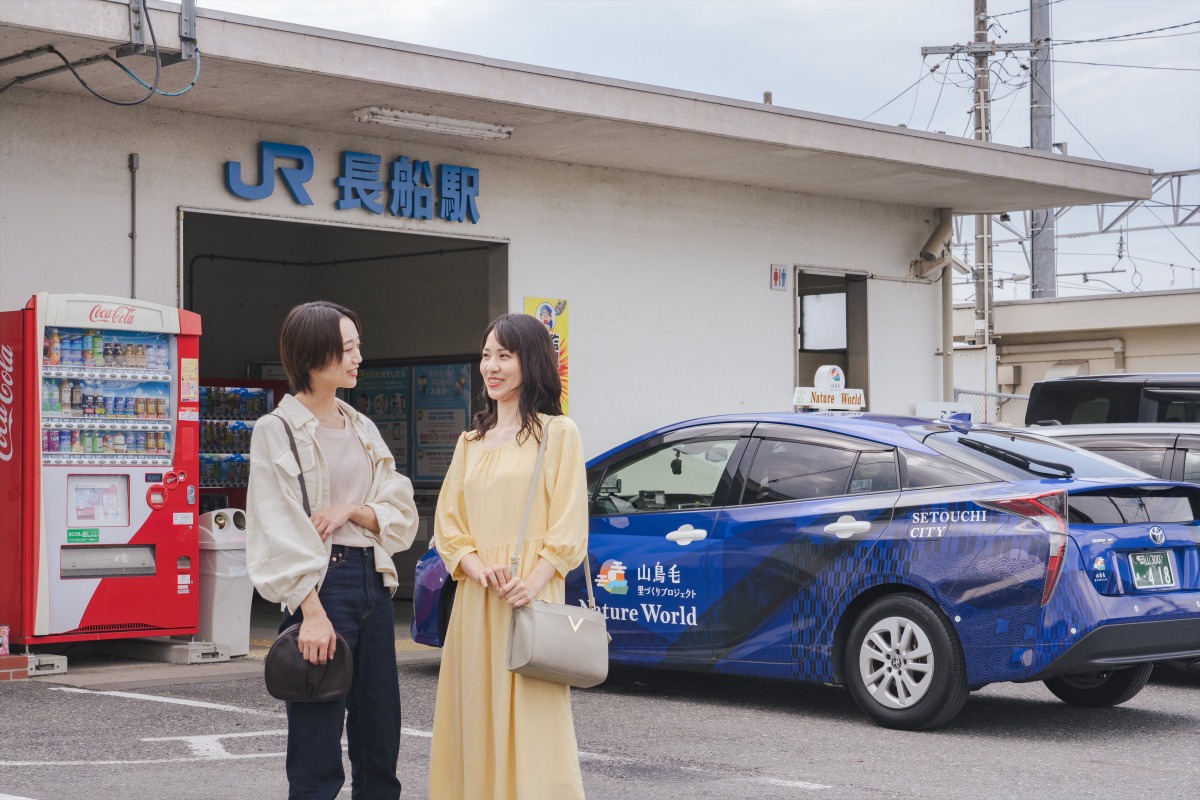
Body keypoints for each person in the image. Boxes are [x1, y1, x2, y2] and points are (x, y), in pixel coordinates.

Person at [246, 301, 418, 800]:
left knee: (380, 739)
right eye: (346, 349)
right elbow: (275, 527)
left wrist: (350, 509)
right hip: (322, 587)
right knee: (317, 750)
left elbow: (399, 508)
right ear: (312, 355)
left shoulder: (361, 425)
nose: (357, 358)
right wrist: (312, 613)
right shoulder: (276, 430)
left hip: (373, 582)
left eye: (357, 346)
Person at [429, 313, 589, 800]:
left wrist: (533, 581)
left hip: (530, 597)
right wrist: (476, 567)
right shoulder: (470, 442)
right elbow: (448, 524)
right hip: (477, 598)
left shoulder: (558, 433)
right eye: (486, 355)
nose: (491, 367)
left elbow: (569, 523)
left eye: (505, 355)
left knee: (534, 723)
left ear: (531, 361)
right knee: (474, 711)